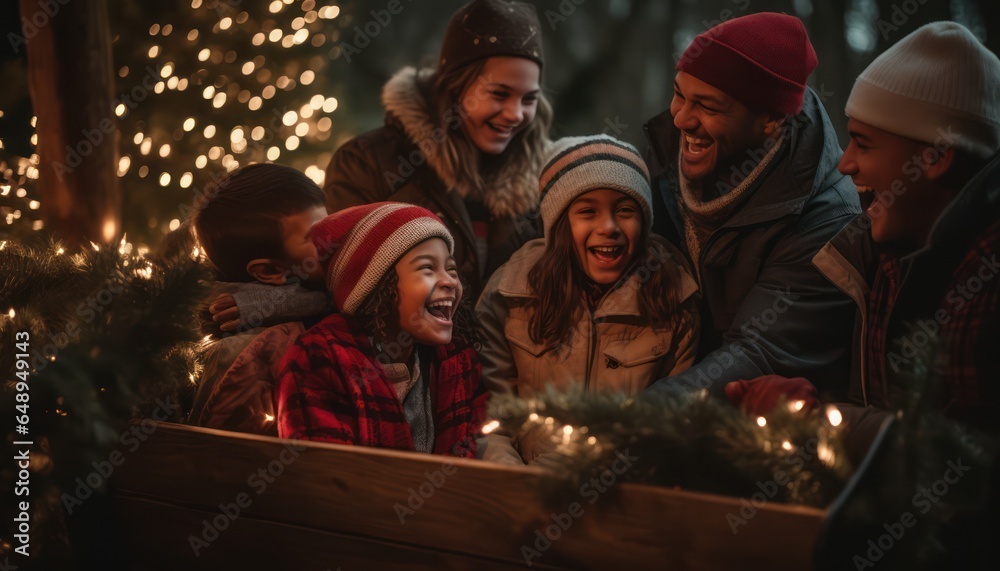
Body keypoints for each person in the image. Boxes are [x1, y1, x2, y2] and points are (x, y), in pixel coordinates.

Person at [642, 12, 861, 399]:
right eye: (679, 94)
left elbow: (760, 353)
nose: (680, 119)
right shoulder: (659, 161)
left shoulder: (827, 220)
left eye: (707, 107)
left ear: (771, 120)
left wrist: (620, 418)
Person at [808, 21, 1000, 452]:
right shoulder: (890, 254)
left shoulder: (986, 280)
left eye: (863, 143)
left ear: (935, 158)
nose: (845, 164)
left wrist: (834, 427)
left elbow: (972, 470)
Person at [477, 135, 700, 463]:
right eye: (587, 211)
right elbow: (487, 412)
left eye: (625, 210)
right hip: (517, 489)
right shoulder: (510, 293)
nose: (608, 226)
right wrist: (514, 483)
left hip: (619, 493)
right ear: (560, 223)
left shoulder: (673, 297)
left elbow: (672, 423)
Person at [323, 0, 552, 301]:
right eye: (499, 94)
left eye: (529, 99)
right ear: (456, 86)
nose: (515, 114)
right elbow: (341, 284)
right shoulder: (366, 164)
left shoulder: (545, 180)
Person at [276, 203, 487, 457]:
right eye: (427, 268)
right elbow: (325, 476)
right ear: (376, 285)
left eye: (451, 269)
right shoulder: (319, 359)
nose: (450, 281)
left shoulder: (457, 360)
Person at [188, 163, 330, 434]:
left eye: (329, 219)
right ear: (269, 270)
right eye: (317, 234)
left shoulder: (306, 279)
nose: (338, 234)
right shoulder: (244, 353)